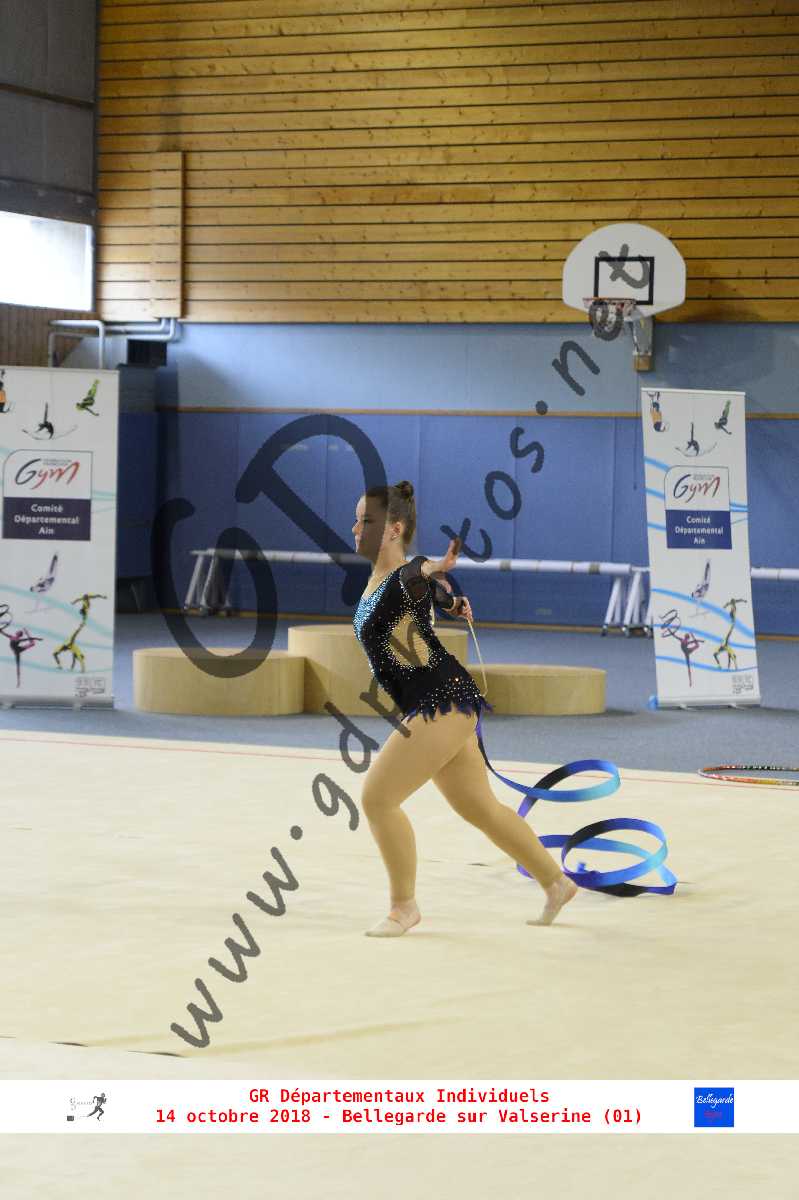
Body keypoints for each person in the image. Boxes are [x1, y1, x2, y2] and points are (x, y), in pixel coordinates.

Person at [352, 480, 577, 938]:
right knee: (480, 808)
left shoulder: (408, 573)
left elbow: (417, 576)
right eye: (357, 520)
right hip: (439, 702)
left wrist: (438, 567)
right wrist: (453, 602)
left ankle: (403, 907)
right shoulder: (382, 583)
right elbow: (424, 595)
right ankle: (556, 883)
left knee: (377, 798)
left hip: (441, 702)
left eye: (366, 521)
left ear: (394, 529)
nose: (356, 528)